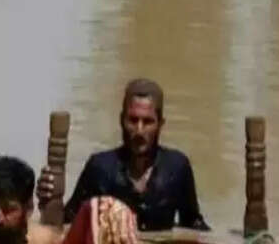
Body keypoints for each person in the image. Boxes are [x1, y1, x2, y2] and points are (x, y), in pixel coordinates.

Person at [38, 78, 210, 232]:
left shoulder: (177, 168)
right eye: (133, 120)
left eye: (148, 122)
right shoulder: (100, 168)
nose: (139, 130)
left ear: (160, 124)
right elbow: (67, 222)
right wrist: (48, 200)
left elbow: (193, 225)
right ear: (122, 120)